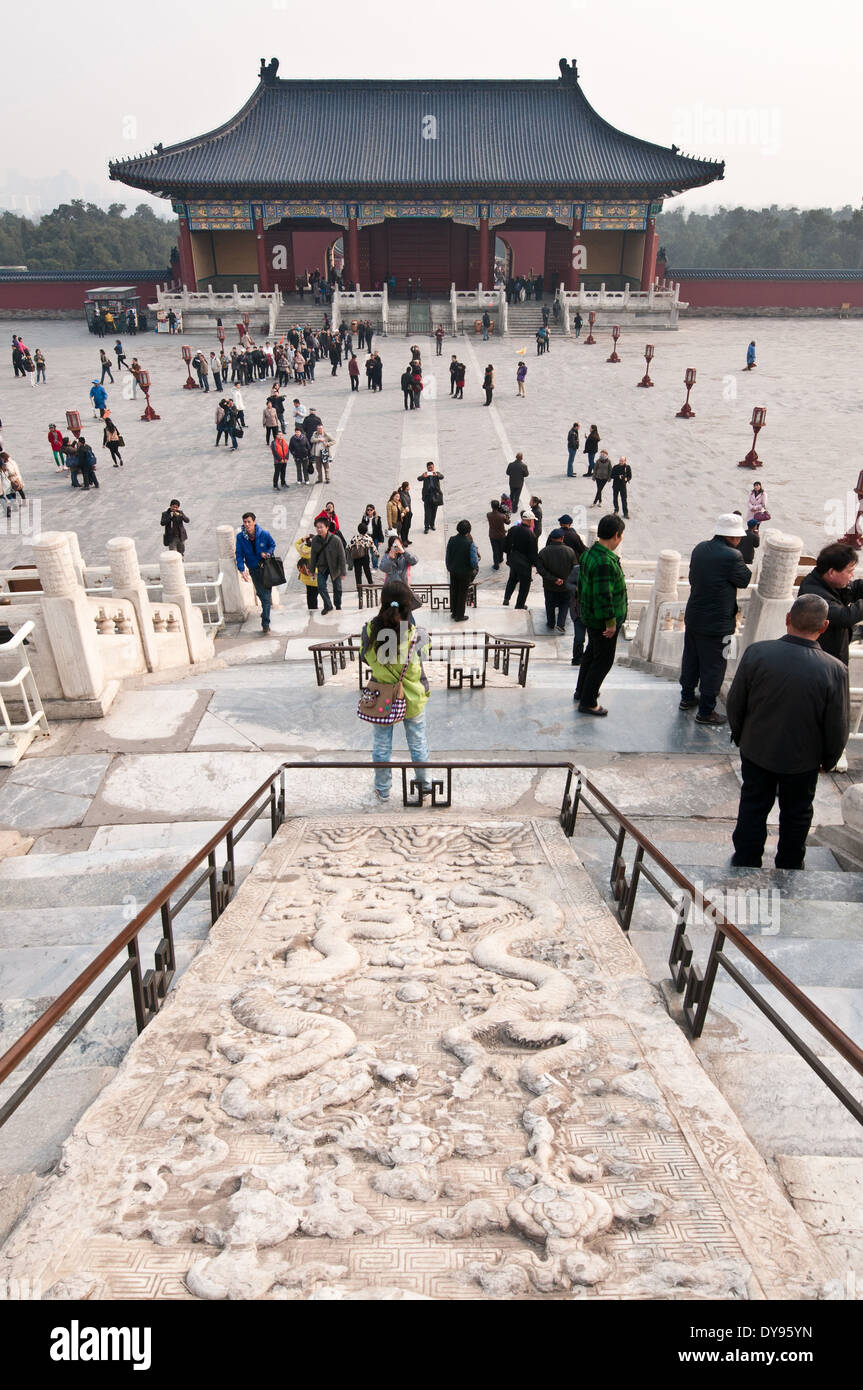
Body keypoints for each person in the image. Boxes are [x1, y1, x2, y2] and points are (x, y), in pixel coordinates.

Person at [727, 594, 849, 869]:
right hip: (803, 759)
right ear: (825, 626)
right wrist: (828, 760)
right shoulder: (834, 669)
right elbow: (837, 724)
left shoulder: (757, 653)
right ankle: (790, 863)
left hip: (758, 748)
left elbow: (736, 703)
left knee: (753, 806)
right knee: (796, 814)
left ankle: (746, 858)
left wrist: (742, 736)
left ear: (787, 619)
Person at [360, 586, 432, 803]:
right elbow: (425, 657)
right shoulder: (417, 634)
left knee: (381, 744)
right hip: (412, 697)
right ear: (408, 606)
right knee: (418, 742)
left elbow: (365, 657)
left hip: (382, 697)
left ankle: (382, 790)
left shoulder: (369, 630)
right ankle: (424, 786)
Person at [679, 513, 752, 726]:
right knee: (714, 666)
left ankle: (686, 697)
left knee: (691, 659)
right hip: (718, 624)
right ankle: (706, 711)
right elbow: (745, 580)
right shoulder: (732, 556)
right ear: (732, 537)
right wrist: (739, 554)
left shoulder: (700, 548)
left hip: (694, 616)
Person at [574, 514, 628, 716]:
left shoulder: (589, 554)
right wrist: (611, 623)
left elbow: (583, 587)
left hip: (590, 616)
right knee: (603, 661)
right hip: (602, 621)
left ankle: (582, 691)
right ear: (616, 535)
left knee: (591, 654)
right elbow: (604, 596)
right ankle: (588, 702)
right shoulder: (605, 561)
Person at [797, 543, 863, 666]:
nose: (852, 576)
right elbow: (844, 617)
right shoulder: (814, 595)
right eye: (849, 572)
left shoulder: (827, 582)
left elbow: (853, 589)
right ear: (832, 572)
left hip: (831, 658)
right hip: (818, 663)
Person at [235, 512, 277, 633]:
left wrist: (268, 553)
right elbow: (239, 554)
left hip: (266, 567)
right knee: (261, 593)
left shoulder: (264, 534)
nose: (247, 524)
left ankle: (265, 623)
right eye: (245, 522)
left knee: (266, 597)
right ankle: (265, 610)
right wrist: (241, 569)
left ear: (254, 522)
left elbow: (272, 545)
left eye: (249, 522)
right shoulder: (240, 537)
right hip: (253, 569)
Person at [559, 514, 588, 663]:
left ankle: (585, 658)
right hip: (578, 610)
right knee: (579, 637)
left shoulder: (557, 535)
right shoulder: (577, 569)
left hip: (588, 610)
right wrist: (576, 590)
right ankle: (577, 658)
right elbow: (569, 583)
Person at [537, 528, 576, 632]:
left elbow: (540, 569)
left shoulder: (543, 552)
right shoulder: (570, 551)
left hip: (549, 585)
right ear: (562, 538)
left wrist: (554, 579)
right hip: (565, 585)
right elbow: (575, 569)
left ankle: (550, 623)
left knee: (549, 604)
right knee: (565, 604)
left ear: (551, 539)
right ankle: (561, 623)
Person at [309, 516, 347, 613]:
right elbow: (313, 556)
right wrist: (311, 570)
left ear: (327, 528)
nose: (319, 529)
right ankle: (328, 605)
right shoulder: (315, 540)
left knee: (337, 589)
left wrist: (343, 572)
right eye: (317, 527)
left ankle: (338, 605)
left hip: (335, 567)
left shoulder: (336, 540)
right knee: (321, 586)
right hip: (322, 566)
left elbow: (342, 557)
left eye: (321, 527)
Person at [502, 510, 539, 608]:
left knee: (512, 579)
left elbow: (505, 546)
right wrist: (536, 564)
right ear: (530, 521)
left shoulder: (513, 529)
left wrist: (510, 555)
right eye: (533, 520)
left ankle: (506, 598)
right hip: (524, 563)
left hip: (513, 560)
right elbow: (533, 553)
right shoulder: (531, 535)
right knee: (525, 584)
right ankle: (520, 604)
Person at [446, 519, 479, 621]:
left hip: (453, 571)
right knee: (462, 593)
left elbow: (448, 556)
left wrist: (449, 567)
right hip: (465, 573)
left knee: (454, 591)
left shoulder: (451, 539)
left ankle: (454, 612)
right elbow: (474, 561)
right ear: (468, 530)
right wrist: (474, 568)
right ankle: (460, 615)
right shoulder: (470, 543)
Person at [348, 521, 376, 589]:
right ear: (366, 530)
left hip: (356, 556)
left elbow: (350, 546)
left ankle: (359, 588)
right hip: (365, 556)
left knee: (358, 573)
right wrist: (376, 554)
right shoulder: (368, 538)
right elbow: (373, 547)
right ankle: (370, 583)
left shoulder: (355, 537)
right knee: (367, 570)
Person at [417, 462, 444, 533]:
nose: (430, 469)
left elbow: (442, 477)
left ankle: (432, 525)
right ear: (427, 468)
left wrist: (437, 475)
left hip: (436, 496)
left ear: (433, 467)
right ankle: (426, 527)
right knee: (427, 513)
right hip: (427, 496)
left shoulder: (436, 473)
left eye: (431, 467)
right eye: (429, 468)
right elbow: (419, 479)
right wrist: (423, 476)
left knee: (434, 512)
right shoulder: (425, 474)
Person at [295, 535, 319, 611]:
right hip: (314, 576)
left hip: (306, 577)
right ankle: (314, 608)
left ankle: (310, 608)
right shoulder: (316, 550)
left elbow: (296, 543)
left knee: (309, 593)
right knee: (315, 594)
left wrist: (302, 539)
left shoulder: (302, 549)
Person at [487, 498, 510, 570]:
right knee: (501, 548)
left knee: (495, 550)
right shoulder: (502, 516)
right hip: (501, 535)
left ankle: (496, 564)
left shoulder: (488, 515)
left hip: (492, 535)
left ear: (491, 506)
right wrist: (507, 516)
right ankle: (500, 559)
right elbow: (508, 522)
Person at [361, 504, 385, 568]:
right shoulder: (364, 517)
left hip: (374, 538)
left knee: (374, 553)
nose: (369, 511)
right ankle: (366, 565)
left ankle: (375, 566)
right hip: (366, 537)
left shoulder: (377, 519)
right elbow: (362, 528)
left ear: (373, 510)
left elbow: (380, 529)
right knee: (365, 553)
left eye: (371, 510)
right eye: (368, 510)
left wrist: (381, 540)